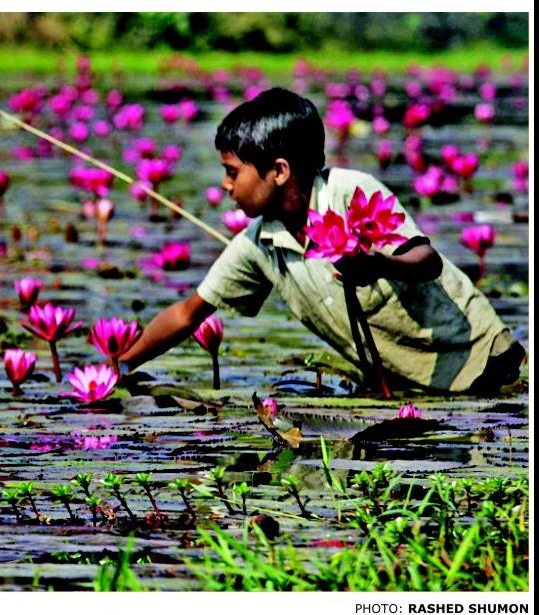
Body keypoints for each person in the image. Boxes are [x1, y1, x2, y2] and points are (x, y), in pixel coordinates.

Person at [119, 88, 524, 394]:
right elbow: (187, 314)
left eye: (233, 172)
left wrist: (378, 264)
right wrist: (120, 366)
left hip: (485, 365)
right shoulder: (258, 244)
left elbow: (426, 260)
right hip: (408, 389)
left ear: (279, 171)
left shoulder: (351, 193)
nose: (226, 185)